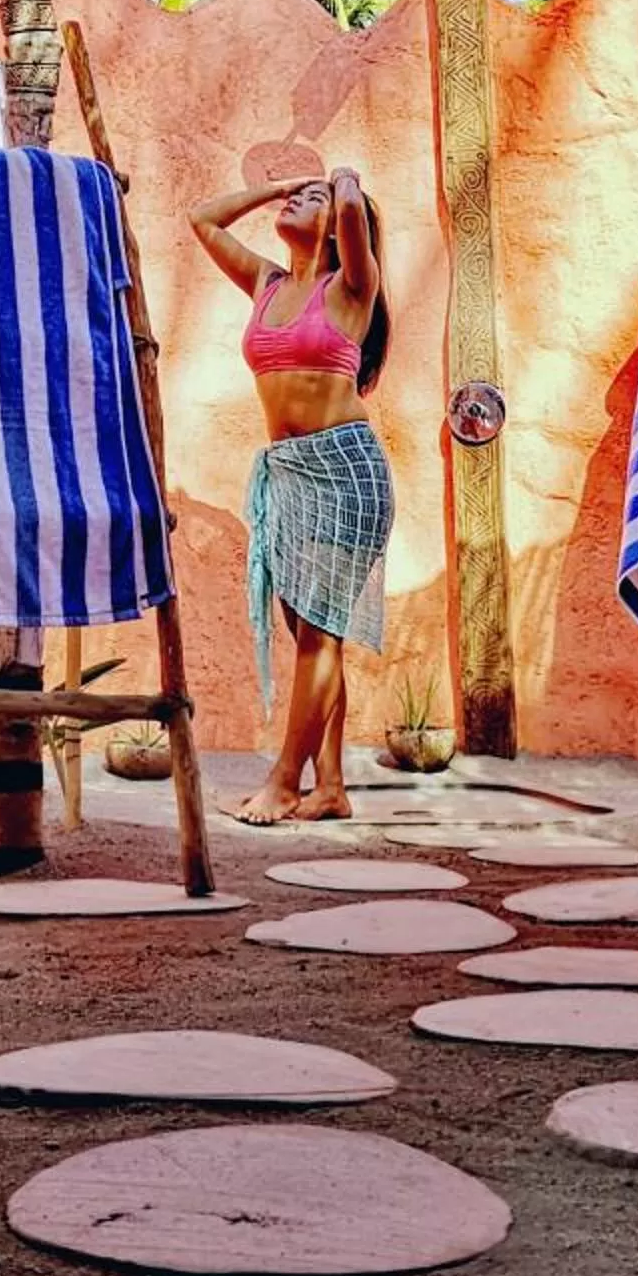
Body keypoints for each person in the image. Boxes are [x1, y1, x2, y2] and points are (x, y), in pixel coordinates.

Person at [188, 169, 393, 824]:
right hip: (288, 474)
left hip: (346, 471)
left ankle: (284, 782)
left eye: (314, 200)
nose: (299, 201)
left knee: (320, 634)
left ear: (336, 227)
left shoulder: (353, 285)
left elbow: (353, 209)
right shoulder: (268, 283)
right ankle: (329, 788)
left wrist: (343, 183)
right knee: (309, 632)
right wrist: (277, 188)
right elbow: (203, 219)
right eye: (296, 197)